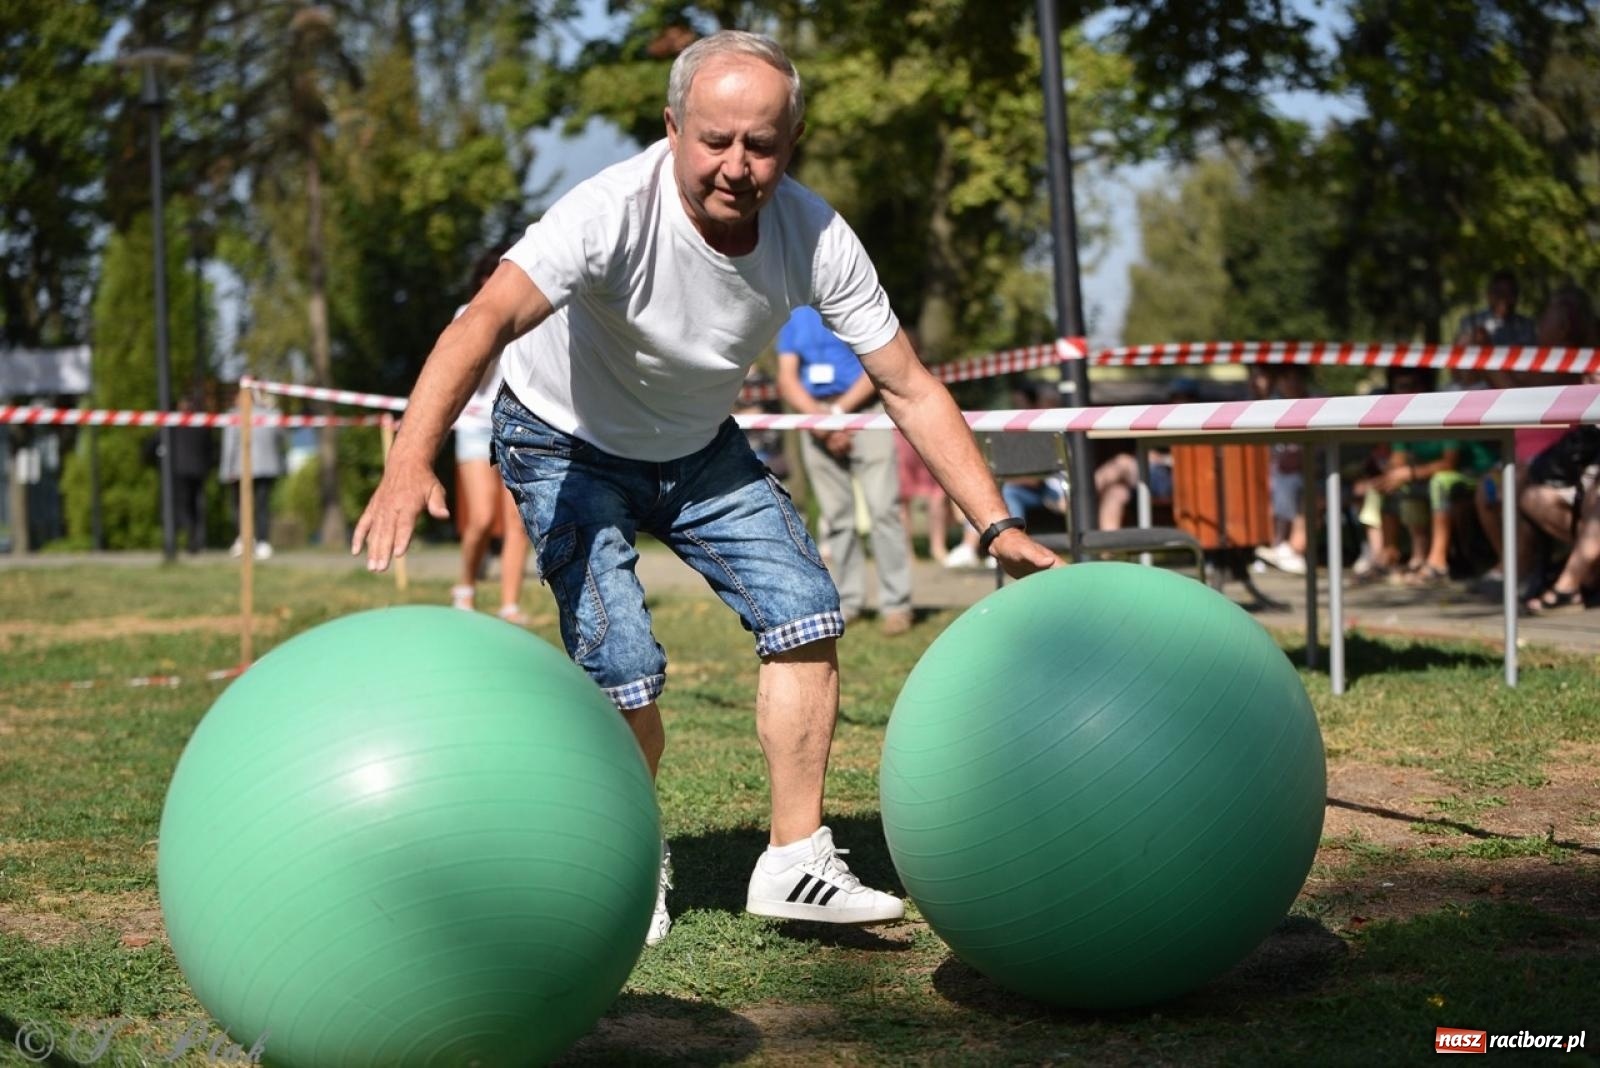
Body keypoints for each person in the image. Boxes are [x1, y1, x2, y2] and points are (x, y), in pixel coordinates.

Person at [351, 31, 1059, 947]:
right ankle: (624, 854)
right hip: (563, 438)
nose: (736, 166)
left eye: (760, 144)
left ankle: (795, 859)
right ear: (673, 127)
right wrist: (412, 455)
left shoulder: (814, 234)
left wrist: (996, 524)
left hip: (694, 446)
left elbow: (908, 384)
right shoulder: (607, 213)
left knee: (806, 609)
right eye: (715, 140)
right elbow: (484, 317)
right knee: (622, 662)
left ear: (791, 141)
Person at [776, 305, 914, 636]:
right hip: (816, 417)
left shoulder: (856, 304)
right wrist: (820, 420)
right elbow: (787, 377)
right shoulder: (793, 315)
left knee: (884, 512)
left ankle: (897, 605)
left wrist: (839, 413)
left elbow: (878, 365)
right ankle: (849, 602)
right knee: (837, 519)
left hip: (864, 411)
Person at [451, 246, 532, 625]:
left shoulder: (530, 314)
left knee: (517, 520)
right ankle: (465, 585)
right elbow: (473, 372)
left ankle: (509, 605)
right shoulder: (466, 315)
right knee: (482, 518)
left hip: (515, 425)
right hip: (473, 425)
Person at [220, 388, 286, 561]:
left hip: (253, 468)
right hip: (246, 468)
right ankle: (250, 540)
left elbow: (280, 436)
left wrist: (226, 470)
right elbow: (281, 437)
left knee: (249, 506)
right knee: (253, 506)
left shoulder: (266, 414)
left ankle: (255, 541)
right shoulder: (261, 414)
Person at [1455, 269, 1538, 348]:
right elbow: (1458, 352)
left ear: (1516, 296)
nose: (1503, 298)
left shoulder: (1526, 326)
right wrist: (1472, 340)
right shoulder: (1471, 322)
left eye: (1509, 293)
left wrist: (1489, 345)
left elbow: (1529, 353)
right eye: (1499, 292)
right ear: (1489, 295)